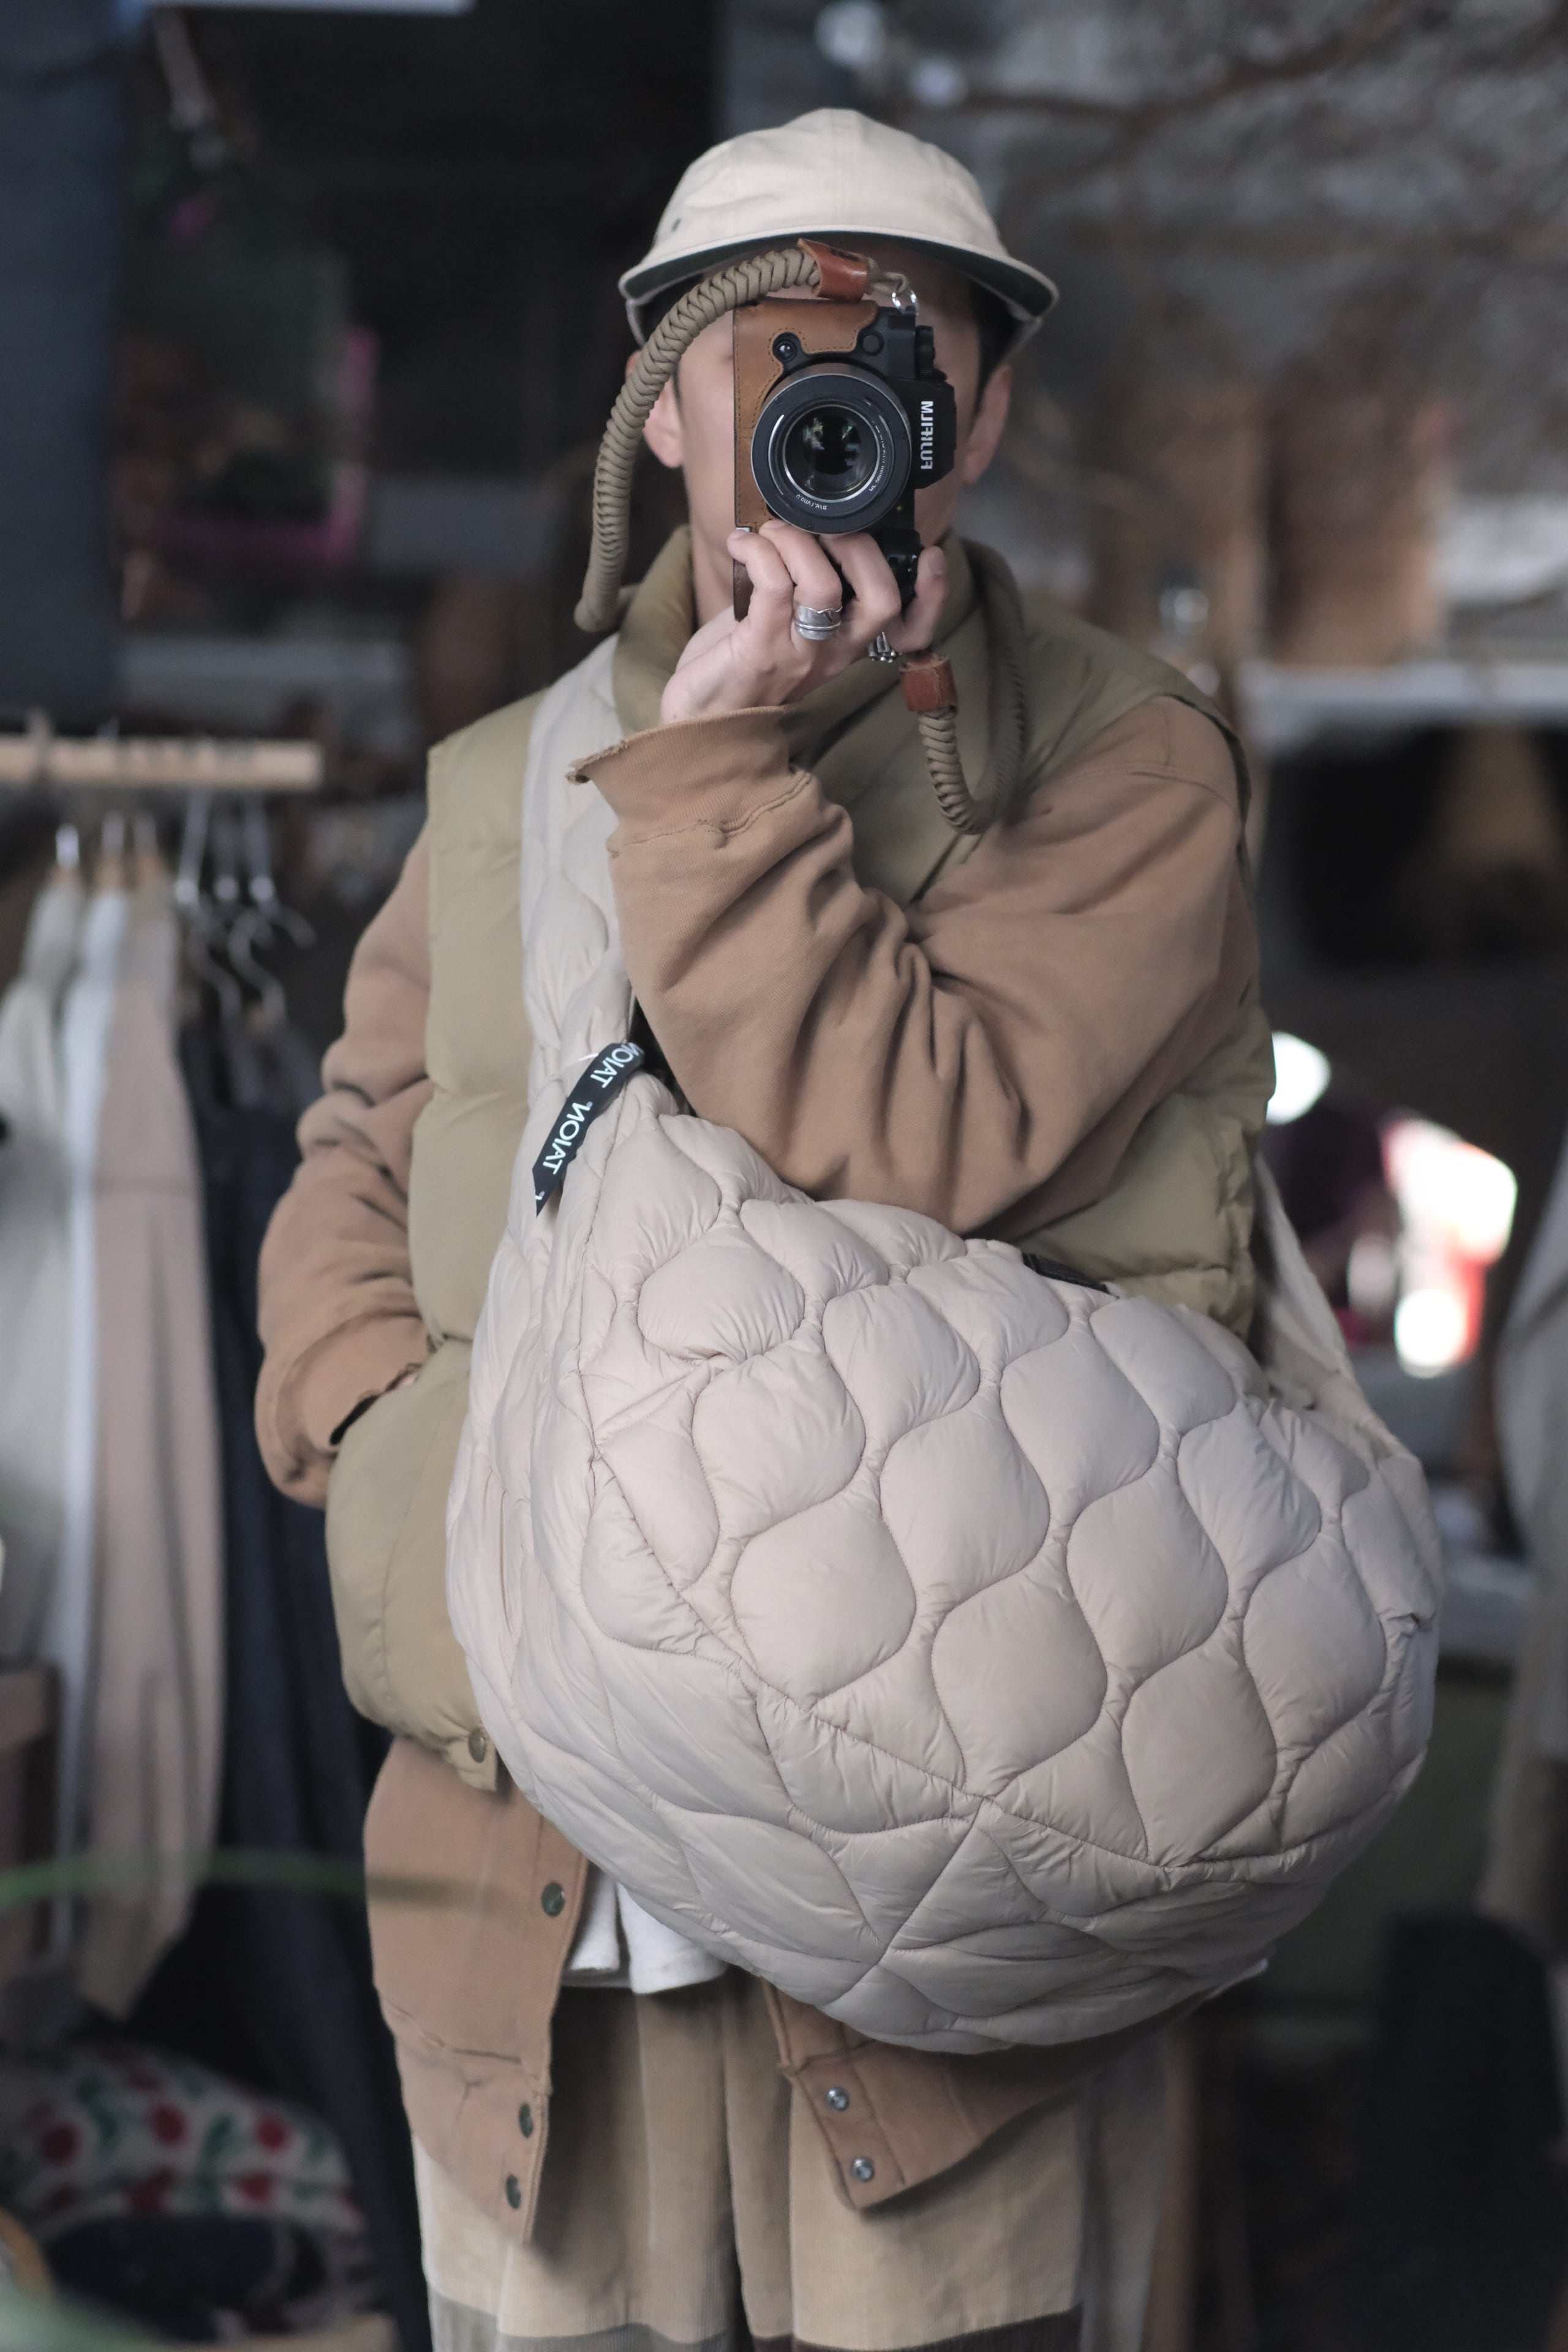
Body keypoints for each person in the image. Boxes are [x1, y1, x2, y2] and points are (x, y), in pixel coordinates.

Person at [257, 107, 1270, 2352]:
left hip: (946, 1865)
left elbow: (923, 1141)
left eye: (897, 356)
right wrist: (383, 1436)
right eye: (775, 358)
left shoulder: (1127, 765)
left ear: (977, 412)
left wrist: (725, 780)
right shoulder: (509, 773)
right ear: (669, 405)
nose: (830, 409)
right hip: (530, 1865)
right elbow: (362, 1138)